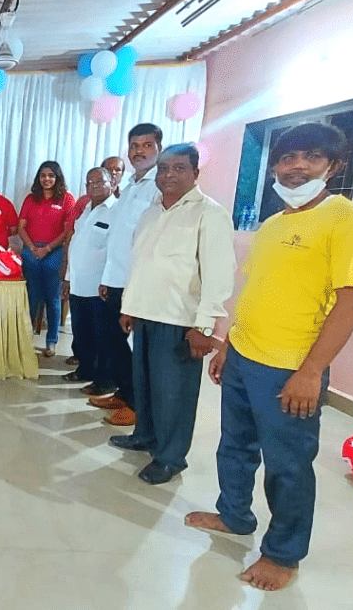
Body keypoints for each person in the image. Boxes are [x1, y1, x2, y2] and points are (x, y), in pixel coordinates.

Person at [185, 123, 353, 591]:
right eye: (288, 158)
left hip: (291, 367)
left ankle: (284, 554)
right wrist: (229, 344)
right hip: (245, 356)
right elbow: (258, 291)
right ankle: (234, 515)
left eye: (311, 158)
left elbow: (352, 300)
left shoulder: (347, 219)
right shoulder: (273, 224)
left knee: (288, 465)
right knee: (234, 447)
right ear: (274, 165)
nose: (296, 168)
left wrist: (311, 371)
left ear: (334, 166)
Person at [108, 143, 235, 485]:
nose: (169, 175)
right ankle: (145, 435)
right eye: (164, 169)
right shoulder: (151, 212)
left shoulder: (210, 214)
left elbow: (219, 275)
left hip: (181, 321)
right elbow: (141, 264)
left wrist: (204, 326)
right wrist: (130, 308)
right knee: (146, 385)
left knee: (174, 394)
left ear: (196, 172)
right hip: (146, 315)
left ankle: (171, 457)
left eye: (179, 168)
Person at [91, 123, 165, 426]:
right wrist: (108, 277)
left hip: (138, 283)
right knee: (117, 342)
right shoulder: (133, 186)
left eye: (147, 145)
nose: (139, 151)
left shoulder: (160, 186)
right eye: (134, 145)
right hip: (118, 279)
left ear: (158, 148)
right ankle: (123, 392)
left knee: (135, 347)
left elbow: (152, 241)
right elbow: (118, 236)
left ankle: (137, 405)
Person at [61, 168, 116, 383]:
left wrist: (108, 282)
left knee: (100, 336)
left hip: (99, 287)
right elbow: (75, 245)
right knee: (81, 333)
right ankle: (84, 371)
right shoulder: (85, 210)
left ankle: (101, 379)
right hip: (78, 284)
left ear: (111, 182)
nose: (94, 186)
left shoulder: (116, 211)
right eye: (89, 183)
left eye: (99, 181)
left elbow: (116, 252)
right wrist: (67, 278)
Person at [18, 161, 75, 357]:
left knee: (52, 297)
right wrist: (33, 248)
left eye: (51, 175)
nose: (47, 179)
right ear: (38, 178)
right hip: (31, 250)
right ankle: (26, 337)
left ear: (57, 177)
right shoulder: (31, 199)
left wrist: (48, 248)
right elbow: (21, 227)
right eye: (43, 175)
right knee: (31, 295)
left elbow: (68, 230)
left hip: (55, 251)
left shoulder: (67, 199)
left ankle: (51, 341)